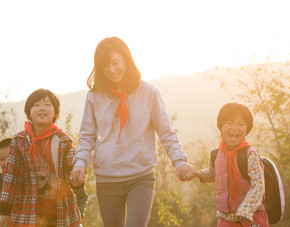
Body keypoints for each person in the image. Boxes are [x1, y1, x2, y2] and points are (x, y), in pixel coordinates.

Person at [70, 36, 196, 227]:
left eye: (115, 62)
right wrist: (80, 163)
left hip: (140, 177)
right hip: (107, 179)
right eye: (105, 65)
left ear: (126, 60)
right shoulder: (94, 98)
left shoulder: (149, 93)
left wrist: (179, 162)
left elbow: (166, 133)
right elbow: (87, 137)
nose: (111, 70)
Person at [0, 89, 86, 227]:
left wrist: (77, 179)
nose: (42, 109)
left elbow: (73, 171)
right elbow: (11, 178)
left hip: (61, 214)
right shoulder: (20, 141)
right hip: (27, 215)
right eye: (36, 105)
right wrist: (4, 211)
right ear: (29, 112)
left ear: (55, 112)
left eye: (47, 104)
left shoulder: (64, 141)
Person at [194, 102, 269, 227]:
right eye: (229, 123)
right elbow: (214, 173)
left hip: (252, 218)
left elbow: (258, 185)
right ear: (221, 126)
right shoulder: (216, 154)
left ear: (247, 129)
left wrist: (246, 209)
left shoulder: (250, 155)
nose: (235, 128)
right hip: (226, 219)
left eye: (241, 124)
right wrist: (197, 174)